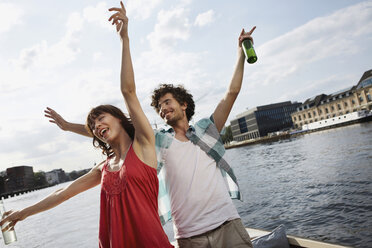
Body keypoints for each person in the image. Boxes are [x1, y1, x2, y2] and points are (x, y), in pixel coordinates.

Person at [44, 22, 256, 248]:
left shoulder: (207, 129)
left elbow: (231, 93)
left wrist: (240, 53)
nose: (163, 109)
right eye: (159, 108)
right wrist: (68, 126)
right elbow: (114, 131)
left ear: (184, 104)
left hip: (227, 224)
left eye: (167, 102)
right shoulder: (159, 140)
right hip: (190, 236)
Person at [0, 2, 173, 247]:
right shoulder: (103, 168)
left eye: (102, 117)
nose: (98, 124)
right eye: (94, 124)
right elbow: (62, 193)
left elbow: (128, 91)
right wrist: (21, 213)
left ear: (120, 119)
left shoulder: (144, 145)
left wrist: (125, 38)